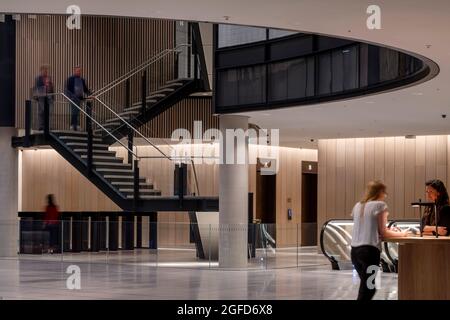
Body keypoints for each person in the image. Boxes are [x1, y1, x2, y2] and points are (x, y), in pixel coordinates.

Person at [351, 181, 407, 300]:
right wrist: (403, 233)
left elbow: (370, 226)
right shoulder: (380, 205)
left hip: (355, 252)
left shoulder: (358, 205)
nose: (385, 194)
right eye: (384, 192)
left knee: (367, 286)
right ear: (380, 192)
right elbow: (383, 232)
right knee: (370, 287)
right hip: (369, 252)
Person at [65, 66, 92, 131]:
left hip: (80, 98)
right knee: (74, 111)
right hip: (73, 98)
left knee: (77, 111)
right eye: (77, 71)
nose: (78, 72)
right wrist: (70, 97)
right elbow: (67, 89)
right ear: (74, 71)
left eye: (79, 71)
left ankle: (76, 125)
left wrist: (90, 93)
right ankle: (73, 125)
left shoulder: (82, 79)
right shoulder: (70, 79)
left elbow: (85, 89)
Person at [33, 65, 54, 130]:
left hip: (49, 96)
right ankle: (41, 126)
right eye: (44, 70)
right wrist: (36, 96)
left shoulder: (49, 78)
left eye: (46, 70)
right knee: (41, 112)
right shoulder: (38, 78)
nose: (45, 71)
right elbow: (36, 87)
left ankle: (48, 126)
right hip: (41, 97)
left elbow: (52, 87)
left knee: (49, 112)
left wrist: (53, 96)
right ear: (41, 71)